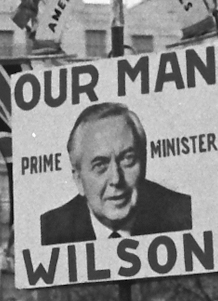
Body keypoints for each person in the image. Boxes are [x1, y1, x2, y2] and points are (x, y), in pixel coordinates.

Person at [39, 103, 192, 245]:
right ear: (78, 180)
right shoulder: (48, 231)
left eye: (127, 159)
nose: (116, 179)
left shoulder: (185, 214)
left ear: (144, 162)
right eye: (100, 165)